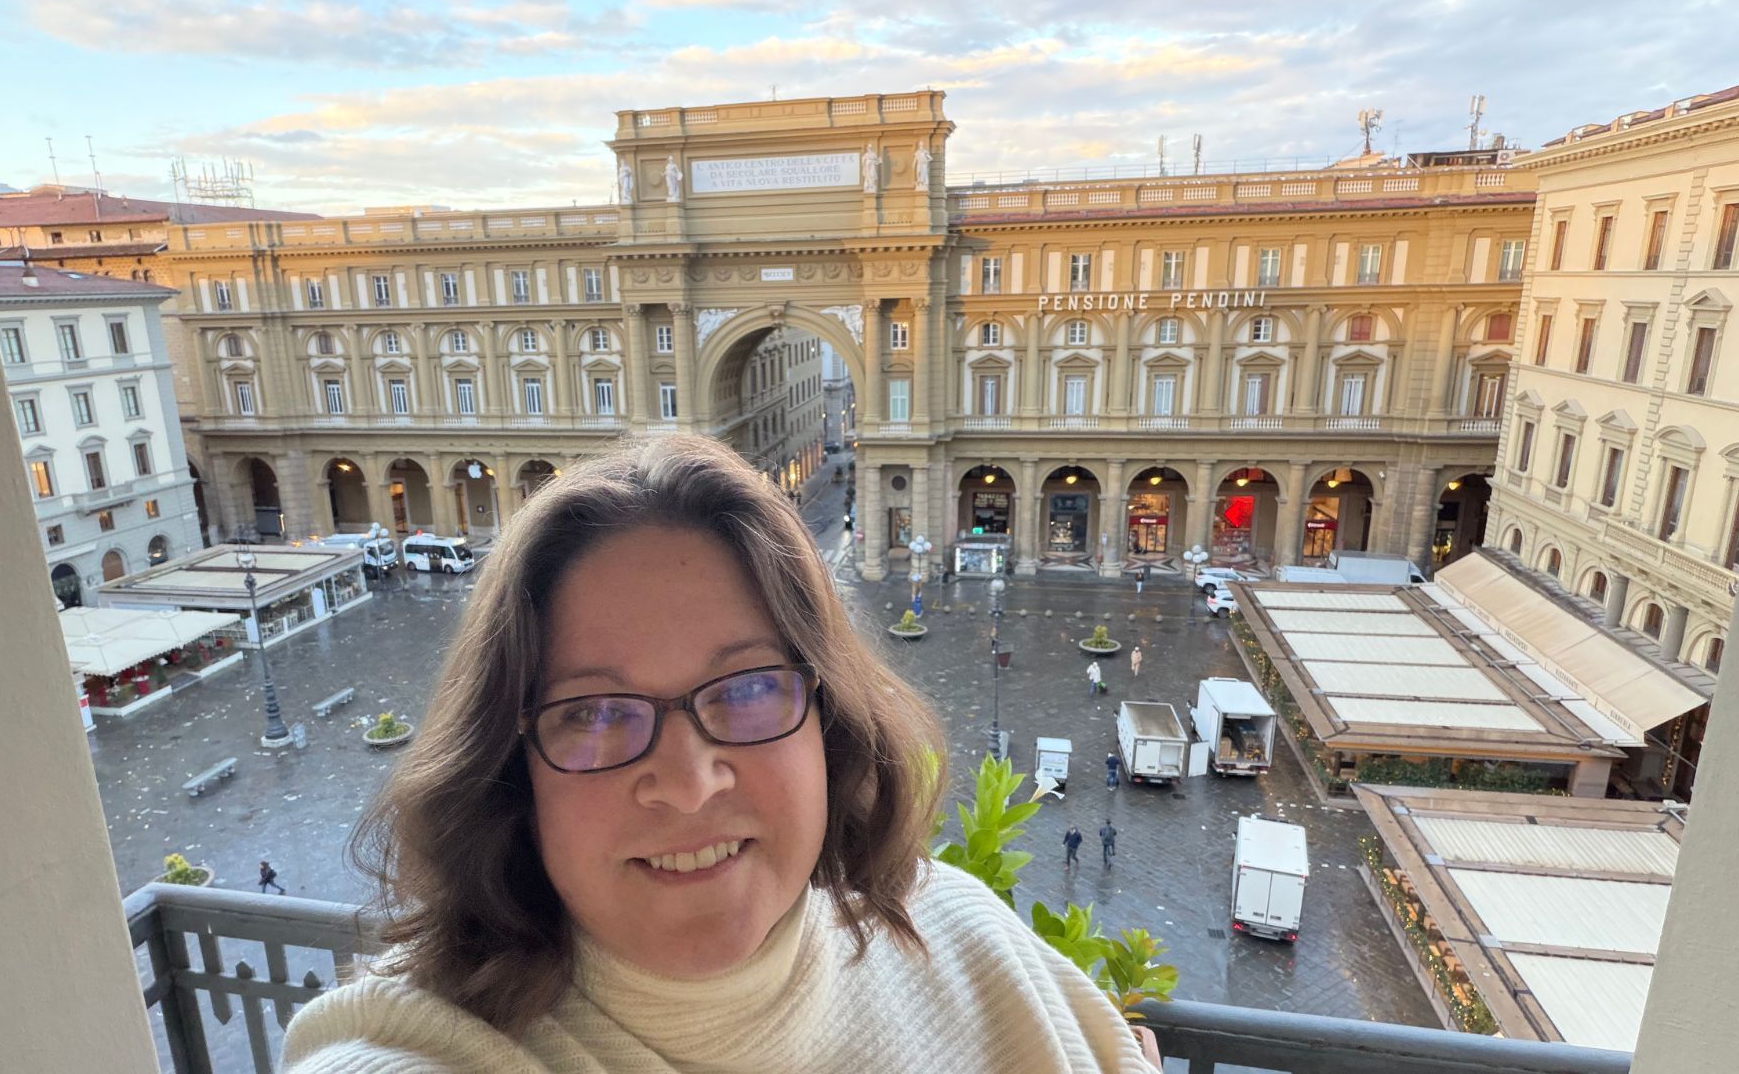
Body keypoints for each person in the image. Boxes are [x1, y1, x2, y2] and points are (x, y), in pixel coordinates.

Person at [281, 434, 1154, 1072]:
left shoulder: (956, 933)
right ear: (511, 768)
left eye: (745, 690)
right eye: (593, 713)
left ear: (830, 717)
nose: (689, 783)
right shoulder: (423, 1057)